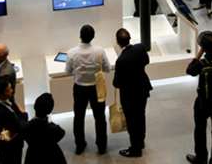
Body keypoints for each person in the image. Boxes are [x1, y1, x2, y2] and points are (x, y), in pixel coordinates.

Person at [65, 24, 110, 155]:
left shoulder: (72, 53)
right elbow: (107, 68)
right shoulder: (100, 51)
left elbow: (68, 71)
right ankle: (101, 146)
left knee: (78, 117)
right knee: (100, 117)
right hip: (97, 88)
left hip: (79, 88)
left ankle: (80, 145)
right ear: (93, 36)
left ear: (80, 36)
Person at [186, 31, 212, 164]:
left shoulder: (201, 64)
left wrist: (198, 55)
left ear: (203, 47)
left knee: (200, 129)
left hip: (203, 102)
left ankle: (201, 157)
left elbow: (189, 70)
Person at [113, 28, 152, 158]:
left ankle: (135, 149)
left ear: (118, 42)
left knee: (132, 122)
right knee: (141, 116)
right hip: (142, 89)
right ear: (130, 38)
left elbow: (116, 83)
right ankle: (140, 141)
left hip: (129, 96)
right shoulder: (140, 48)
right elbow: (146, 61)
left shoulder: (120, 61)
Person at [0, 76, 27, 164]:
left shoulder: (8, 99)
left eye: (11, 88)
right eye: (8, 90)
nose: (12, 91)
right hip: (9, 147)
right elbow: (17, 127)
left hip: (13, 142)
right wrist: (24, 115)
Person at [23, 93, 66, 164]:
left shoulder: (26, 127)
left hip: (32, 157)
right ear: (50, 110)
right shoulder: (55, 130)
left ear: (35, 106)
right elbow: (62, 133)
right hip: (52, 157)